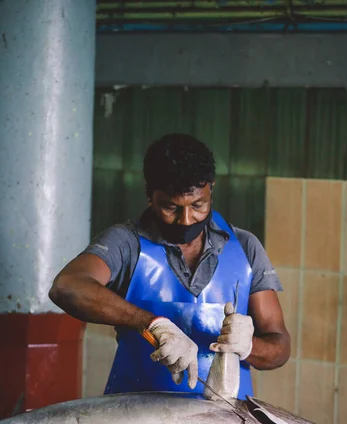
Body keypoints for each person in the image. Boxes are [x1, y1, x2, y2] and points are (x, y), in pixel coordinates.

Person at [49, 133, 290, 398]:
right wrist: (151, 324)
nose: (186, 220)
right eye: (170, 207)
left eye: (198, 205)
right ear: (149, 195)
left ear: (212, 188)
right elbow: (67, 287)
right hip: (135, 422)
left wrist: (249, 346)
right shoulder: (126, 243)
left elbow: (280, 347)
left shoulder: (245, 247)